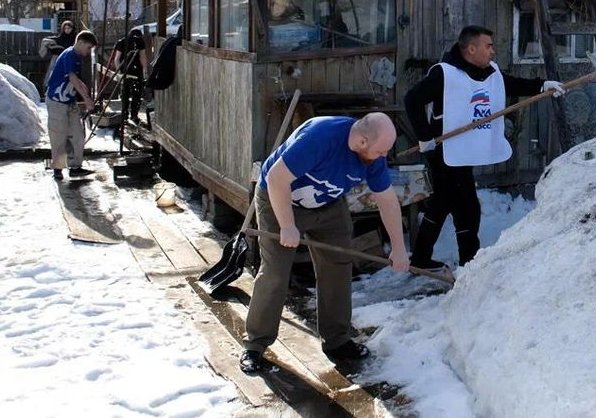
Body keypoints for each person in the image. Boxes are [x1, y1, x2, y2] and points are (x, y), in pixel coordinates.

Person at [241, 113, 409, 374]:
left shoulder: (374, 157)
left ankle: (337, 340)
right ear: (362, 140)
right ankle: (255, 344)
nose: (383, 156)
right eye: (381, 150)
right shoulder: (319, 137)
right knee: (275, 273)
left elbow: (386, 200)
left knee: (338, 267)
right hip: (281, 201)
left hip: (329, 205)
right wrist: (287, 225)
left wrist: (398, 247)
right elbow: (276, 179)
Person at [404, 25, 564, 270]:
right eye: (488, 46)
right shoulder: (445, 74)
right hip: (443, 150)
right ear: (471, 48)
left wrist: (541, 85)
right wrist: (424, 137)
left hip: (463, 148)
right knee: (465, 205)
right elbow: (412, 100)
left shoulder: (487, 73)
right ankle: (468, 262)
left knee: (444, 201)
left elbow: (508, 84)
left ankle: (423, 258)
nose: (492, 51)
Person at [46, 30, 97, 181]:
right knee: (59, 136)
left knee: (78, 133)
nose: (88, 52)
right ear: (80, 43)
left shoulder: (76, 56)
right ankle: (58, 169)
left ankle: (75, 167)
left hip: (69, 100)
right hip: (57, 102)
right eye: (88, 48)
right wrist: (87, 99)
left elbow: (73, 78)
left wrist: (82, 86)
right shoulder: (69, 55)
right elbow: (72, 78)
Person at [112, 28, 149, 122]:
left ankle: (129, 114)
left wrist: (118, 71)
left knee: (130, 93)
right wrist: (145, 71)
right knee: (131, 93)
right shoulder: (132, 42)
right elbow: (142, 57)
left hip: (131, 71)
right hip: (131, 71)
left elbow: (117, 58)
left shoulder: (128, 42)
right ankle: (129, 114)